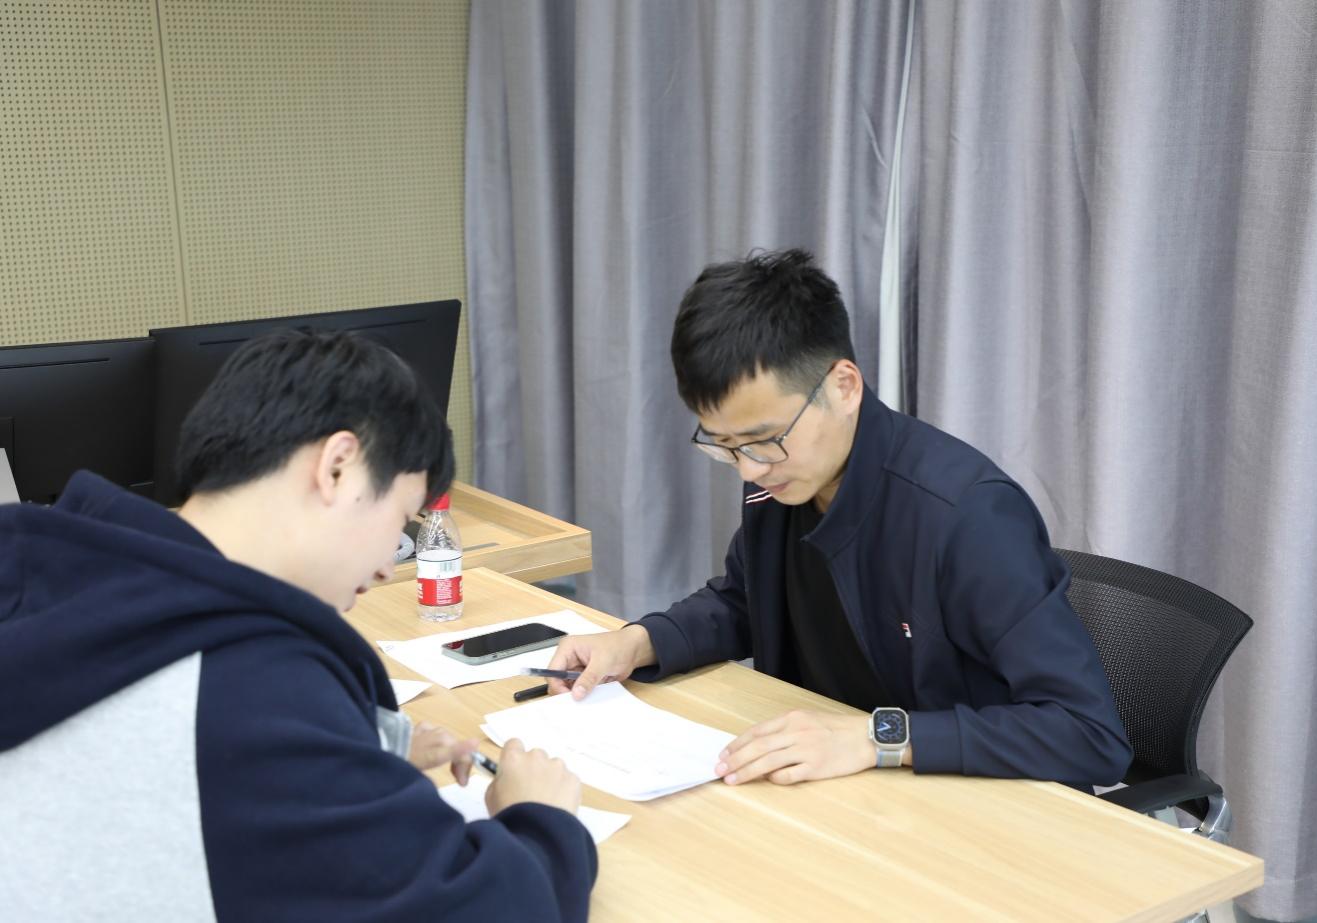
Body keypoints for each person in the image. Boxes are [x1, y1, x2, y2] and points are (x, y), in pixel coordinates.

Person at [0, 330, 595, 921]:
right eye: (401, 517)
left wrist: (350, 757)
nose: (390, 562)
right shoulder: (254, 689)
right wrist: (543, 820)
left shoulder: (72, 582)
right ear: (338, 467)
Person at [545, 248, 1132, 790]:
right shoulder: (784, 478)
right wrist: (637, 642)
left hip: (974, 806)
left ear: (844, 387)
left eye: (764, 440)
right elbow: (745, 602)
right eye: (724, 446)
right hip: (846, 794)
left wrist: (876, 737)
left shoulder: (966, 515)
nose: (748, 470)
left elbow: (1087, 734)